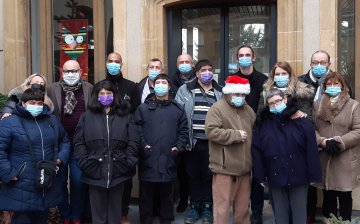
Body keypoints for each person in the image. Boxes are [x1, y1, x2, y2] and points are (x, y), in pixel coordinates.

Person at [0, 88, 70, 224]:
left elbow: (64, 141)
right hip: (20, 183)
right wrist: (8, 173)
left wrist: (60, 158)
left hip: (45, 181)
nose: (36, 106)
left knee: (41, 218)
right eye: (32, 102)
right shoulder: (9, 122)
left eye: (39, 103)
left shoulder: (52, 121)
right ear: (23, 103)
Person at [252, 88, 322, 224]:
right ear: (267, 105)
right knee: (280, 214)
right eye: (271, 103)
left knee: (299, 213)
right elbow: (257, 150)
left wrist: (314, 175)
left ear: (285, 99)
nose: (275, 105)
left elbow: (311, 150)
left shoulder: (302, 122)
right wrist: (260, 175)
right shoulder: (263, 125)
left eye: (278, 101)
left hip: (299, 174)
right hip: (275, 174)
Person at [73, 80, 138, 224]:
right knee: (97, 213)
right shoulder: (86, 116)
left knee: (115, 212)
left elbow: (133, 141)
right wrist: (85, 163)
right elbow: (79, 142)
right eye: (101, 93)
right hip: (94, 168)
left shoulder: (125, 116)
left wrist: (128, 162)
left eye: (108, 93)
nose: (105, 96)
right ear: (96, 96)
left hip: (119, 169)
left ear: (115, 95)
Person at [135, 74, 188, 224]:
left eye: (164, 82)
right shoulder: (143, 108)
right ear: (153, 86)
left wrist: (178, 148)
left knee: (167, 194)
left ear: (169, 86)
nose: (160, 85)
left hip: (169, 157)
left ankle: (166, 218)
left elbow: (183, 132)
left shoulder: (178, 109)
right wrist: (143, 145)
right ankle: (146, 219)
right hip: (148, 157)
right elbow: (136, 129)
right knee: (146, 194)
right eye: (157, 82)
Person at [175, 59, 223, 224]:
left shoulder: (220, 92)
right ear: (196, 73)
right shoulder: (185, 89)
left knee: (209, 176)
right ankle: (195, 206)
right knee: (193, 175)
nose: (207, 72)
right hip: (192, 142)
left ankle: (208, 207)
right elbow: (178, 115)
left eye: (210, 69)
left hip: (212, 143)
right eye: (203, 70)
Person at [47, 59, 93, 224]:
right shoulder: (52, 88)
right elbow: (28, 96)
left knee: (78, 181)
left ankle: (76, 215)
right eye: (67, 71)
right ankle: (65, 214)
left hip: (81, 144)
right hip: (58, 144)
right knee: (58, 183)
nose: (71, 74)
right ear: (62, 72)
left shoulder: (89, 88)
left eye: (74, 71)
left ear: (80, 72)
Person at [205, 75, 256, 224]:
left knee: (243, 209)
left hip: (245, 169)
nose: (240, 97)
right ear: (228, 92)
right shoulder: (217, 108)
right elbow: (211, 131)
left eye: (242, 94)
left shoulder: (248, 110)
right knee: (222, 209)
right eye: (237, 94)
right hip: (224, 169)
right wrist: (235, 135)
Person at [313, 72, 360, 222]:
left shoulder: (353, 105)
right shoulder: (317, 105)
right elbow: (311, 128)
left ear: (342, 86)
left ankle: (345, 222)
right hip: (325, 156)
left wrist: (339, 141)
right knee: (328, 195)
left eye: (336, 84)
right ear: (324, 87)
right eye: (329, 84)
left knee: (345, 195)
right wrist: (322, 141)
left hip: (345, 158)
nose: (332, 87)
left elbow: (358, 130)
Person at [103, 52, 141, 222]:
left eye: (116, 61)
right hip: (104, 140)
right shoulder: (99, 86)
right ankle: (106, 212)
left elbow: (136, 112)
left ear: (121, 64)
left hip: (125, 140)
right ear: (105, 63)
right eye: (110, 61)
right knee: (104, 177)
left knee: (125, 179)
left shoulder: (132, 87)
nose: (113, 64)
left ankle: (123, 212)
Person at [231, 45, 267, 224]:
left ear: (253, 58)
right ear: (237, 59)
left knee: (257, 174)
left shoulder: (264, 80)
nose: (244, 58)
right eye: (241, 55)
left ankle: (257, 211)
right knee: (238, 174)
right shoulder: (231, 80)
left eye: (247, 55)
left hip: (258, 133)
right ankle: (240, 210)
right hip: (238, 133)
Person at [297, 50, 332, 223]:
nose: (319, 66)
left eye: (323, 62)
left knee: (329, 178)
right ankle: (308, 215)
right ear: (310, 64)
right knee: (309, 180)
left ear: (328, 64)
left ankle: (329, 215)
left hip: (329, 136)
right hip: (306, 136)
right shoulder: (300, 82)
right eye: (315, 62)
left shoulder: (335, 82)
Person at [172, 53, 196, 213]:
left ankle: (196, 201)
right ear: (177, 64)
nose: (184, 64)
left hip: (195, 134)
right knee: (180, 171)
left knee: (193, 171)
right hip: (177, 133)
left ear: (193, 64)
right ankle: (182, 199)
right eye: (181, 62)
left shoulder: (199, 79)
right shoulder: (171, 82)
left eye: (187, 61)